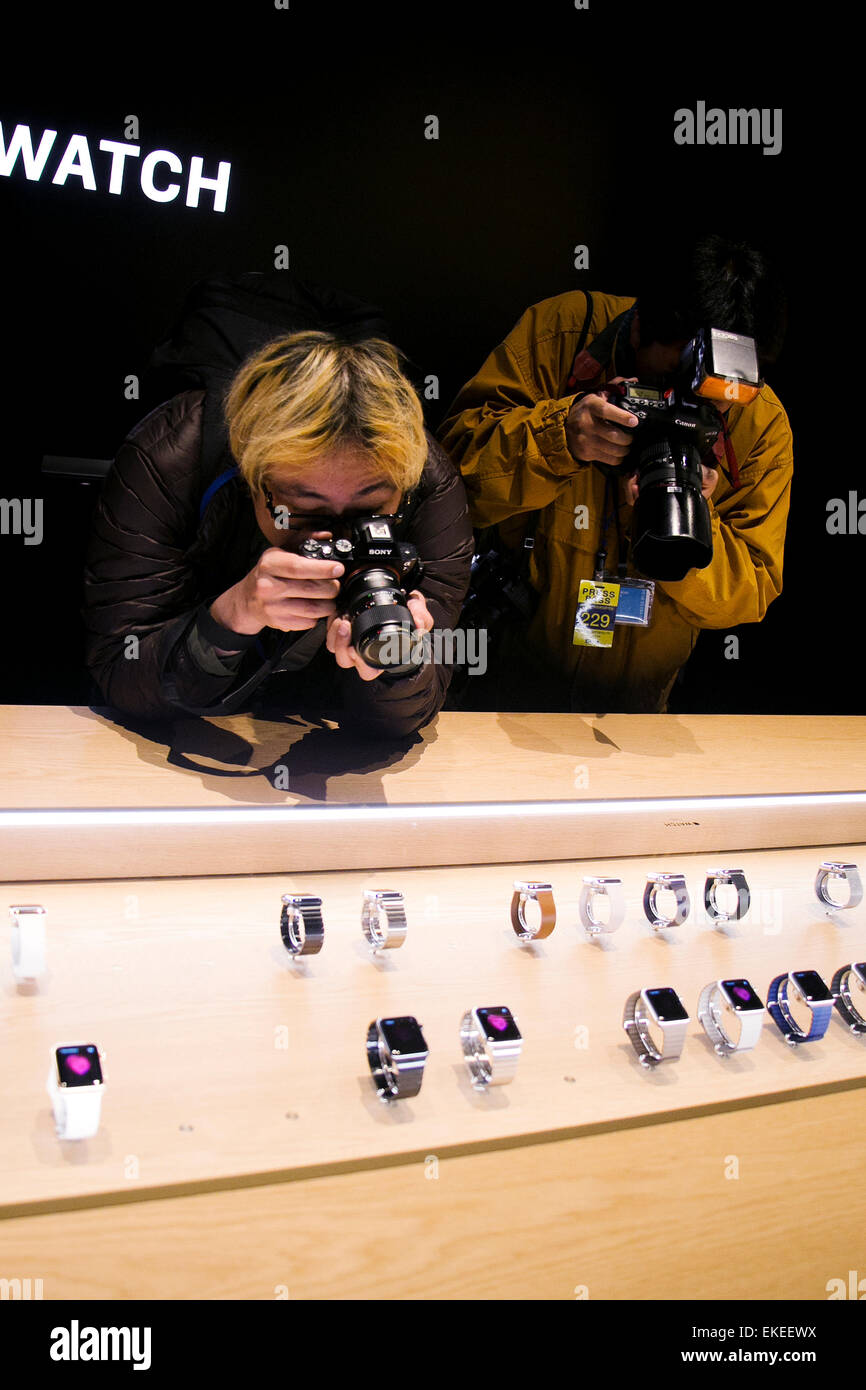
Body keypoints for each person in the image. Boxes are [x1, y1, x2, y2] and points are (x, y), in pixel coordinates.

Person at [438, 235, 792, 713]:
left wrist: (688, 520)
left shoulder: (760, 420)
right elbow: (449, 484)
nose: (681, 408)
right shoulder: (562, 333)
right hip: (502, 690)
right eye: (666, 387)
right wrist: (559, 438)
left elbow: (749, 590)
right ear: (637, 327)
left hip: (635, 716)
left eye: (709, 402)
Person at [83, 331, 473, 735]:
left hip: (323, 741)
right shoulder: (168, 460)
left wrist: (397, 663)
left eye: (368, 511)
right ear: (251, 479)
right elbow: (120, 670)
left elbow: (416, 708)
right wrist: (230, 618)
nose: (332, 538)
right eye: (305, 510)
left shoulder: (427, 482)